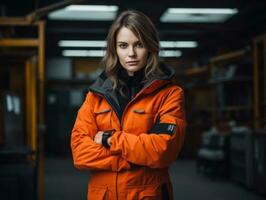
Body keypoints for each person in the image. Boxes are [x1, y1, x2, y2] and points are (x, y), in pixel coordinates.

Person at [71, 10, 186, 200]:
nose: (131, 53)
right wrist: (133, 158)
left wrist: (110, 140)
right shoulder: (95, 96)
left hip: (148, 194)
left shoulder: (170, 94)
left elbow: (162, 151)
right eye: (123, 46)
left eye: (139, 45)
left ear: (150, 46)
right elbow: (80, 153)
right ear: (114, 49)